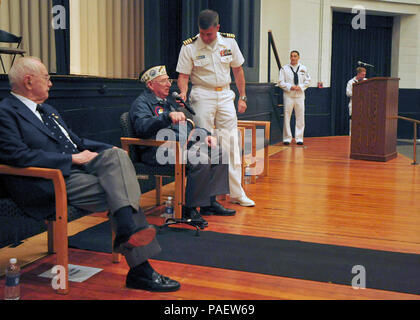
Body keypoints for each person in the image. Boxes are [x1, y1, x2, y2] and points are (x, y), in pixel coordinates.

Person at [0, 57, 180, 292]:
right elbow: (16, 156)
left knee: (117, 157)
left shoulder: (48, 110)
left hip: (77, 170)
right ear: (28, 81)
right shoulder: (6, 112)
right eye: (47, 78)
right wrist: (70, 159)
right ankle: (140, 267)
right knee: (120, 193)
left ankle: (126, 229)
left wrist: (107, 149)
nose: (51, 83)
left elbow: (78, 142)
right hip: (48, 179)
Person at [129, 65, 236, 225]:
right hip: (156, 151)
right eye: (163, 81)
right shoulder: (142, 103)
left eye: (168, 80)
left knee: (219, 153)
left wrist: (205, 135)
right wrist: (167, 117)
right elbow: (142, 127)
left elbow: (186, 125)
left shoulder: (166, 102)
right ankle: (189, 209)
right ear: (151, 85)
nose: (168, 84)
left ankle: (209, 203)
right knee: (200, 159)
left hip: (178, 147)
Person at [176, 9, 255, 207]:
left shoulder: (229, 42)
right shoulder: (190, 47)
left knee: (231, 143)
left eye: (209, 34)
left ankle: (236, 193)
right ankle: (207, 197)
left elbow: (238, 70)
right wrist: (183, 93)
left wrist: (243, 97)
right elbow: (183, 76)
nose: (205, 37)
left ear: (218, 28)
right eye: (202, 33)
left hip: (226, 94)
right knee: (205, 144)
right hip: (202, 94)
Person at [278, 50, 311, 145]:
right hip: (288, 96)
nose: (293, 58)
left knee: (300, 117)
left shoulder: (303, 68)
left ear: (298, 57)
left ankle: (299, 138)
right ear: (290, 57)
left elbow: (308, 81)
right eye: (291, 56)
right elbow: (280, 82)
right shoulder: (284, 69)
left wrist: (300, 87)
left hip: (300, 96)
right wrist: (289, 87)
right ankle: (287, 138)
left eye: (295, 56)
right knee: (287, 116)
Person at [346, 67, 367, 135]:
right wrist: (357, 93)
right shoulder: (351, 82)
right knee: (353, 123)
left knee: (364, 123)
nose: (364, 76)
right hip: (354, 104)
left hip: (364, 105)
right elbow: (348, 93)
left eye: (365, 74)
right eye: (362, 74)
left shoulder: (366, 81)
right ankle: (351, 138)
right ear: (358, 74)